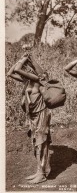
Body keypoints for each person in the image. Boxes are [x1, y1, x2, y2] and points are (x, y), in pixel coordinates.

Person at [7, 54, 52, 183]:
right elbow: (10, 73)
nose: (24, 69)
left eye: (27, 67)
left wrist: (27, 59)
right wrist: (21, 57)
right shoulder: (28, 81)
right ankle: (42, 170)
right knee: (37, 144)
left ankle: (41, 174)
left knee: (40, 144)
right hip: (33, 117)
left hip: (41, 115)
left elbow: (17, 69)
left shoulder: (37, 79)